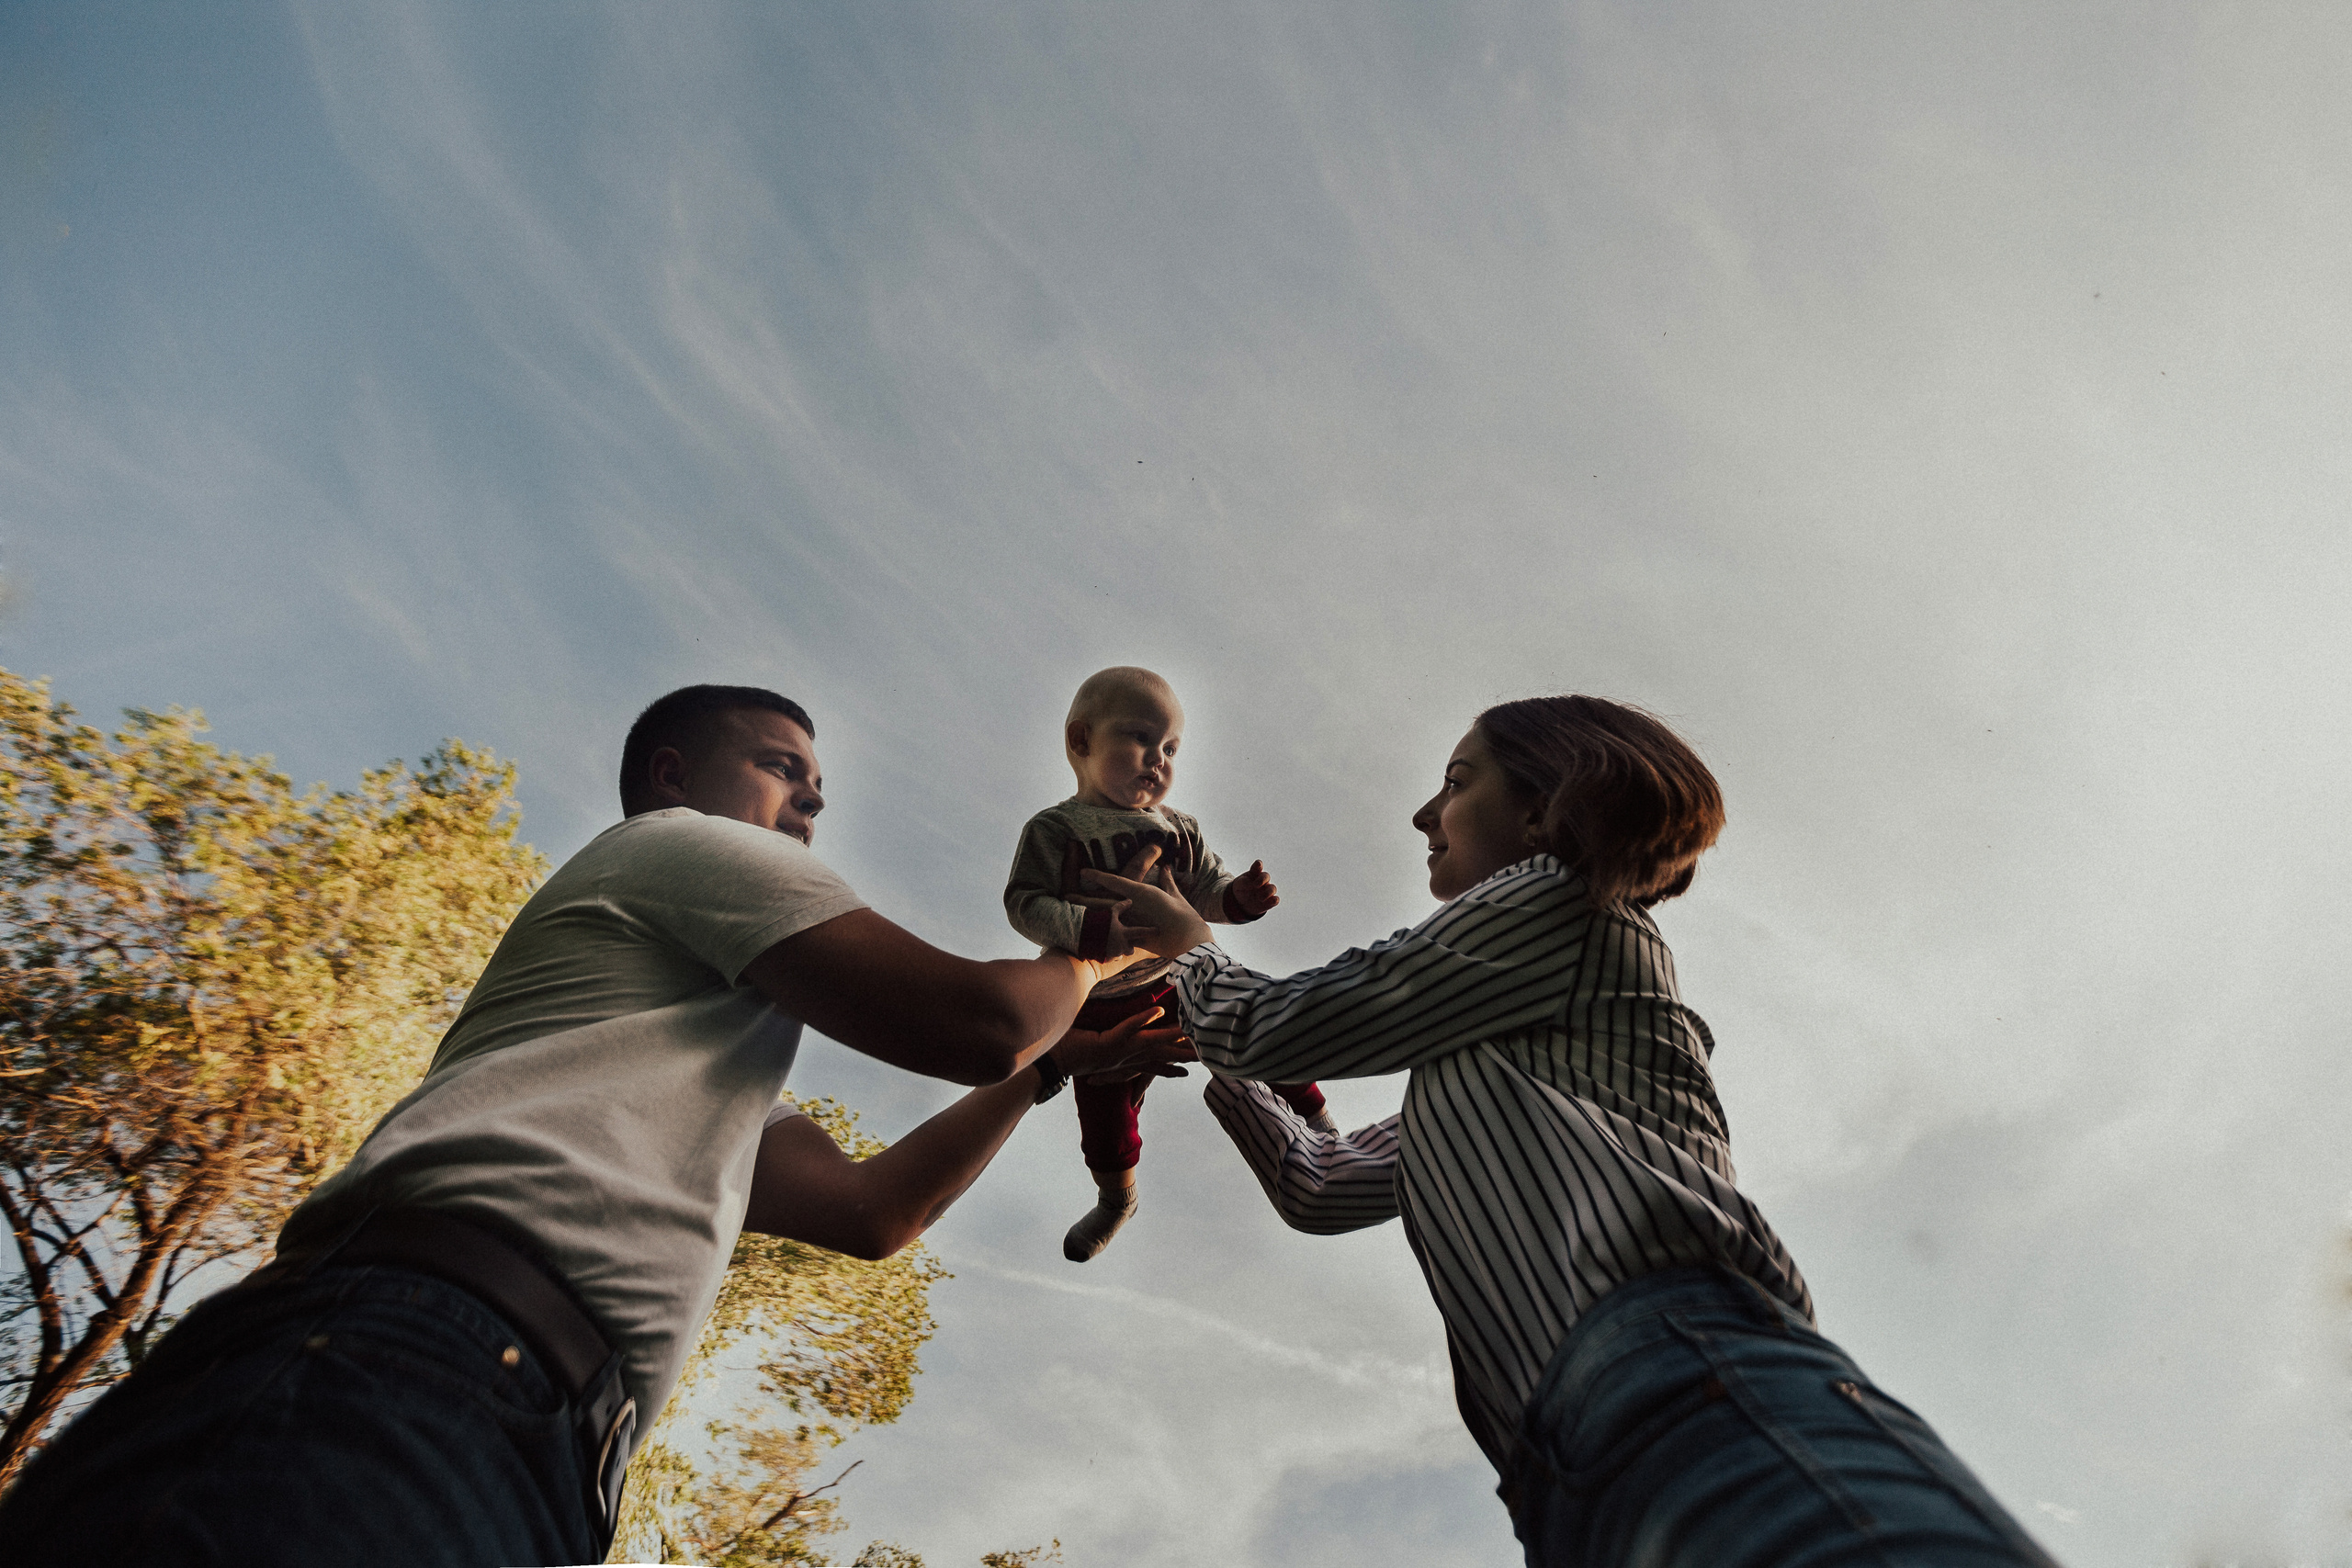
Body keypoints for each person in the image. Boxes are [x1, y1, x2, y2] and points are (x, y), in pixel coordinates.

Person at [0, 684, 1191, 1568]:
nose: (808, 804)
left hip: (541, 1446)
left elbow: (873, 1210)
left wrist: (1046, 1073)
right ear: (676, 776)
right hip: (415, 1355)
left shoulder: (686, 1054)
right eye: (782, 768)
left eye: (818, 793)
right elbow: (979, 1016)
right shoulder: (678, 845)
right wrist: (1102, 955)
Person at [1091, 695, 2061, 1567]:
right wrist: (1202, 1023)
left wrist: (1191, 953)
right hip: (1558, 1470)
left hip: (1677, 1371)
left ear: (1547, 807)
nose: (1424, 814)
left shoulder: (1555, 902)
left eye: (1458, 782)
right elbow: (1321, 1182)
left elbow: (1286, 1023)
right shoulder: (1486, 1047)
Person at [1003, 665, 1329, 1261]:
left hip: (1174, 977)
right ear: (1081, 741)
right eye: (1139, 739)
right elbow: (1023, 902)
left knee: (1252, 1028)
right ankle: (1116, 1198)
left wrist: (1238, 899)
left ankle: (1321, 1120)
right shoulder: (1056, 828)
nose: (1158, 758)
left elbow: (1205, 890)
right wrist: (1089, 926)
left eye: (1171, 747)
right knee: (1105, 1106)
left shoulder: (1179, 830)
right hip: (1097, 999)